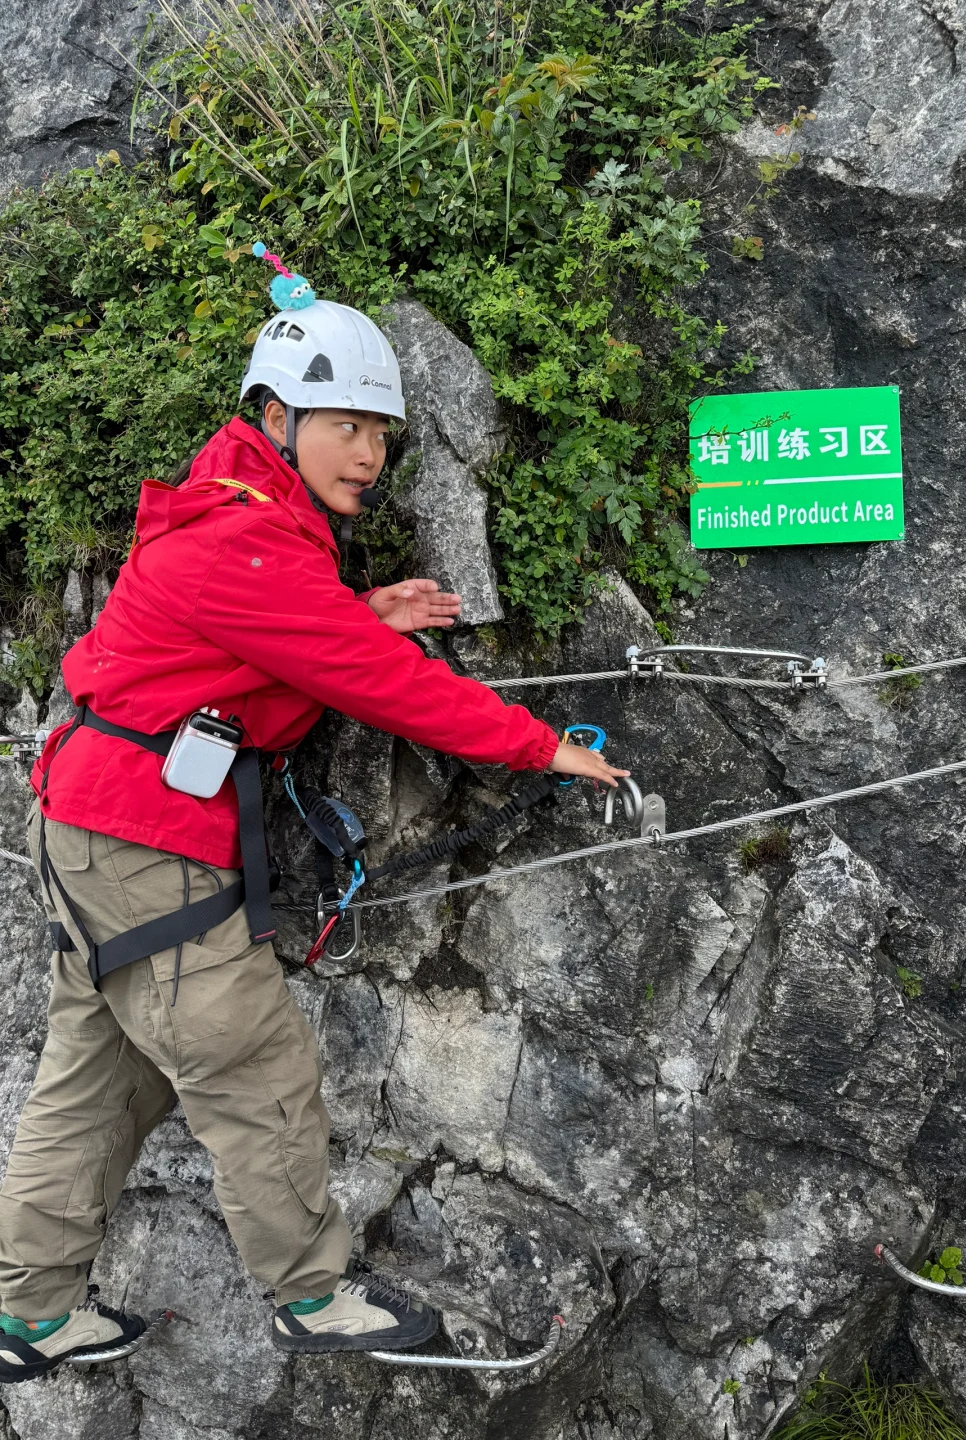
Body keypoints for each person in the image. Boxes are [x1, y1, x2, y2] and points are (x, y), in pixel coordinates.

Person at [0, 278, 626, 1383]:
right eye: (345, 425)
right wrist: (541, 746)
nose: (369, 452)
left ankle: (30, 1315)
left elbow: (279, 638)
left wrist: (352, 613)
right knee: (256, 1065)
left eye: (380, 430)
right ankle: (311, 1296)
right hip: (143, 841)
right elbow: (387, 686)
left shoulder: (246, 526)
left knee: (105, 1078)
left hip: (95, 828)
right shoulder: (243, 545)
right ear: (275, 419)